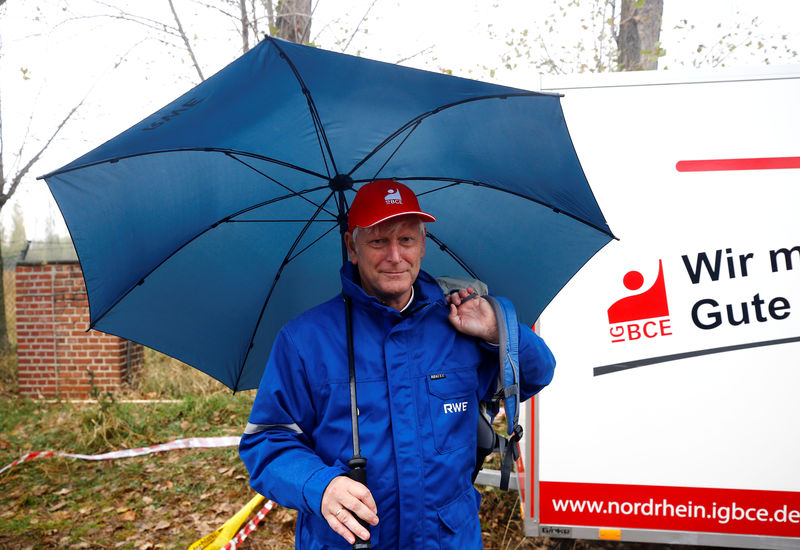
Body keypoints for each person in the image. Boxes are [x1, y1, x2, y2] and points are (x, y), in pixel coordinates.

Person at [239, 179, 556, 549]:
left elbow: (537, 372)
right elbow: (267, 440)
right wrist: (319, 485)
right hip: (349, 542)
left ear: (422, 244)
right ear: (351, 247)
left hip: (448, 540)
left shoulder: (460, 325)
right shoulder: (304, 340)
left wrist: (494, 330)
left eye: (406, 239)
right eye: (378, 241)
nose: (394, 256)